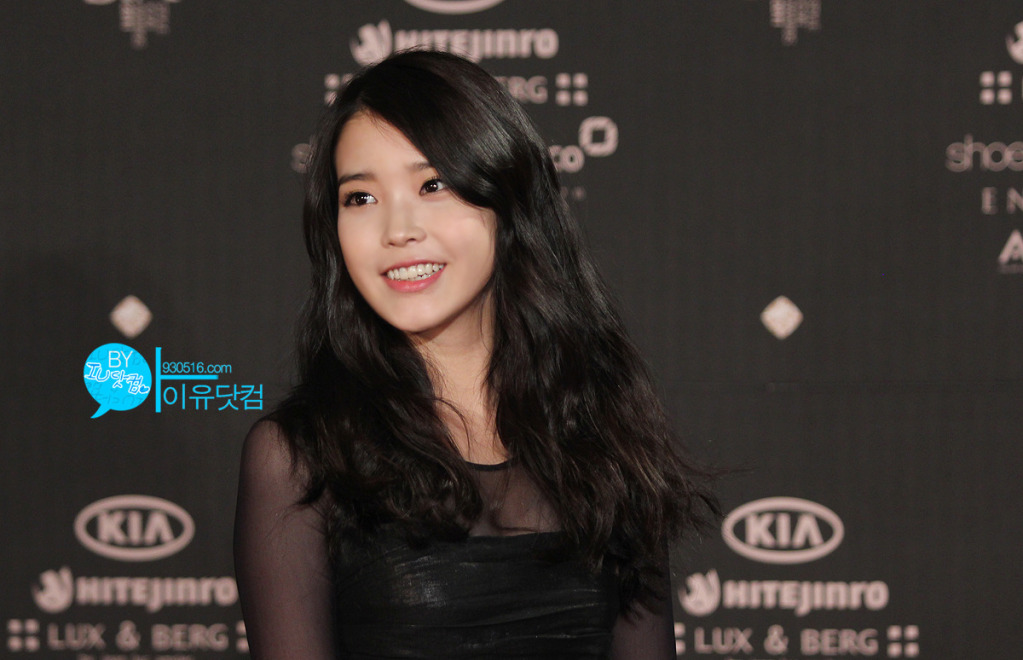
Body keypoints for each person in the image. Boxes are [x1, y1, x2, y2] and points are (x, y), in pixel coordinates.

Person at [234, 49, 715, 659]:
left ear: (507, 198)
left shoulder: (602, 434)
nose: (397, 229)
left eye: (432, 185)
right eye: (360, 198)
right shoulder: (300, 459)